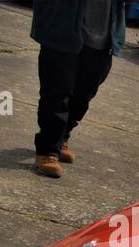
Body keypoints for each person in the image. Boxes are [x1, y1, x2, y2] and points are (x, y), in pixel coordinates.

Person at [30, 0, 125, 179]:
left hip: (102, 35)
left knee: (84, 94)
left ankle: (62, 137)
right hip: (62, 28)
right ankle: (47, 151)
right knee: (57, 91)